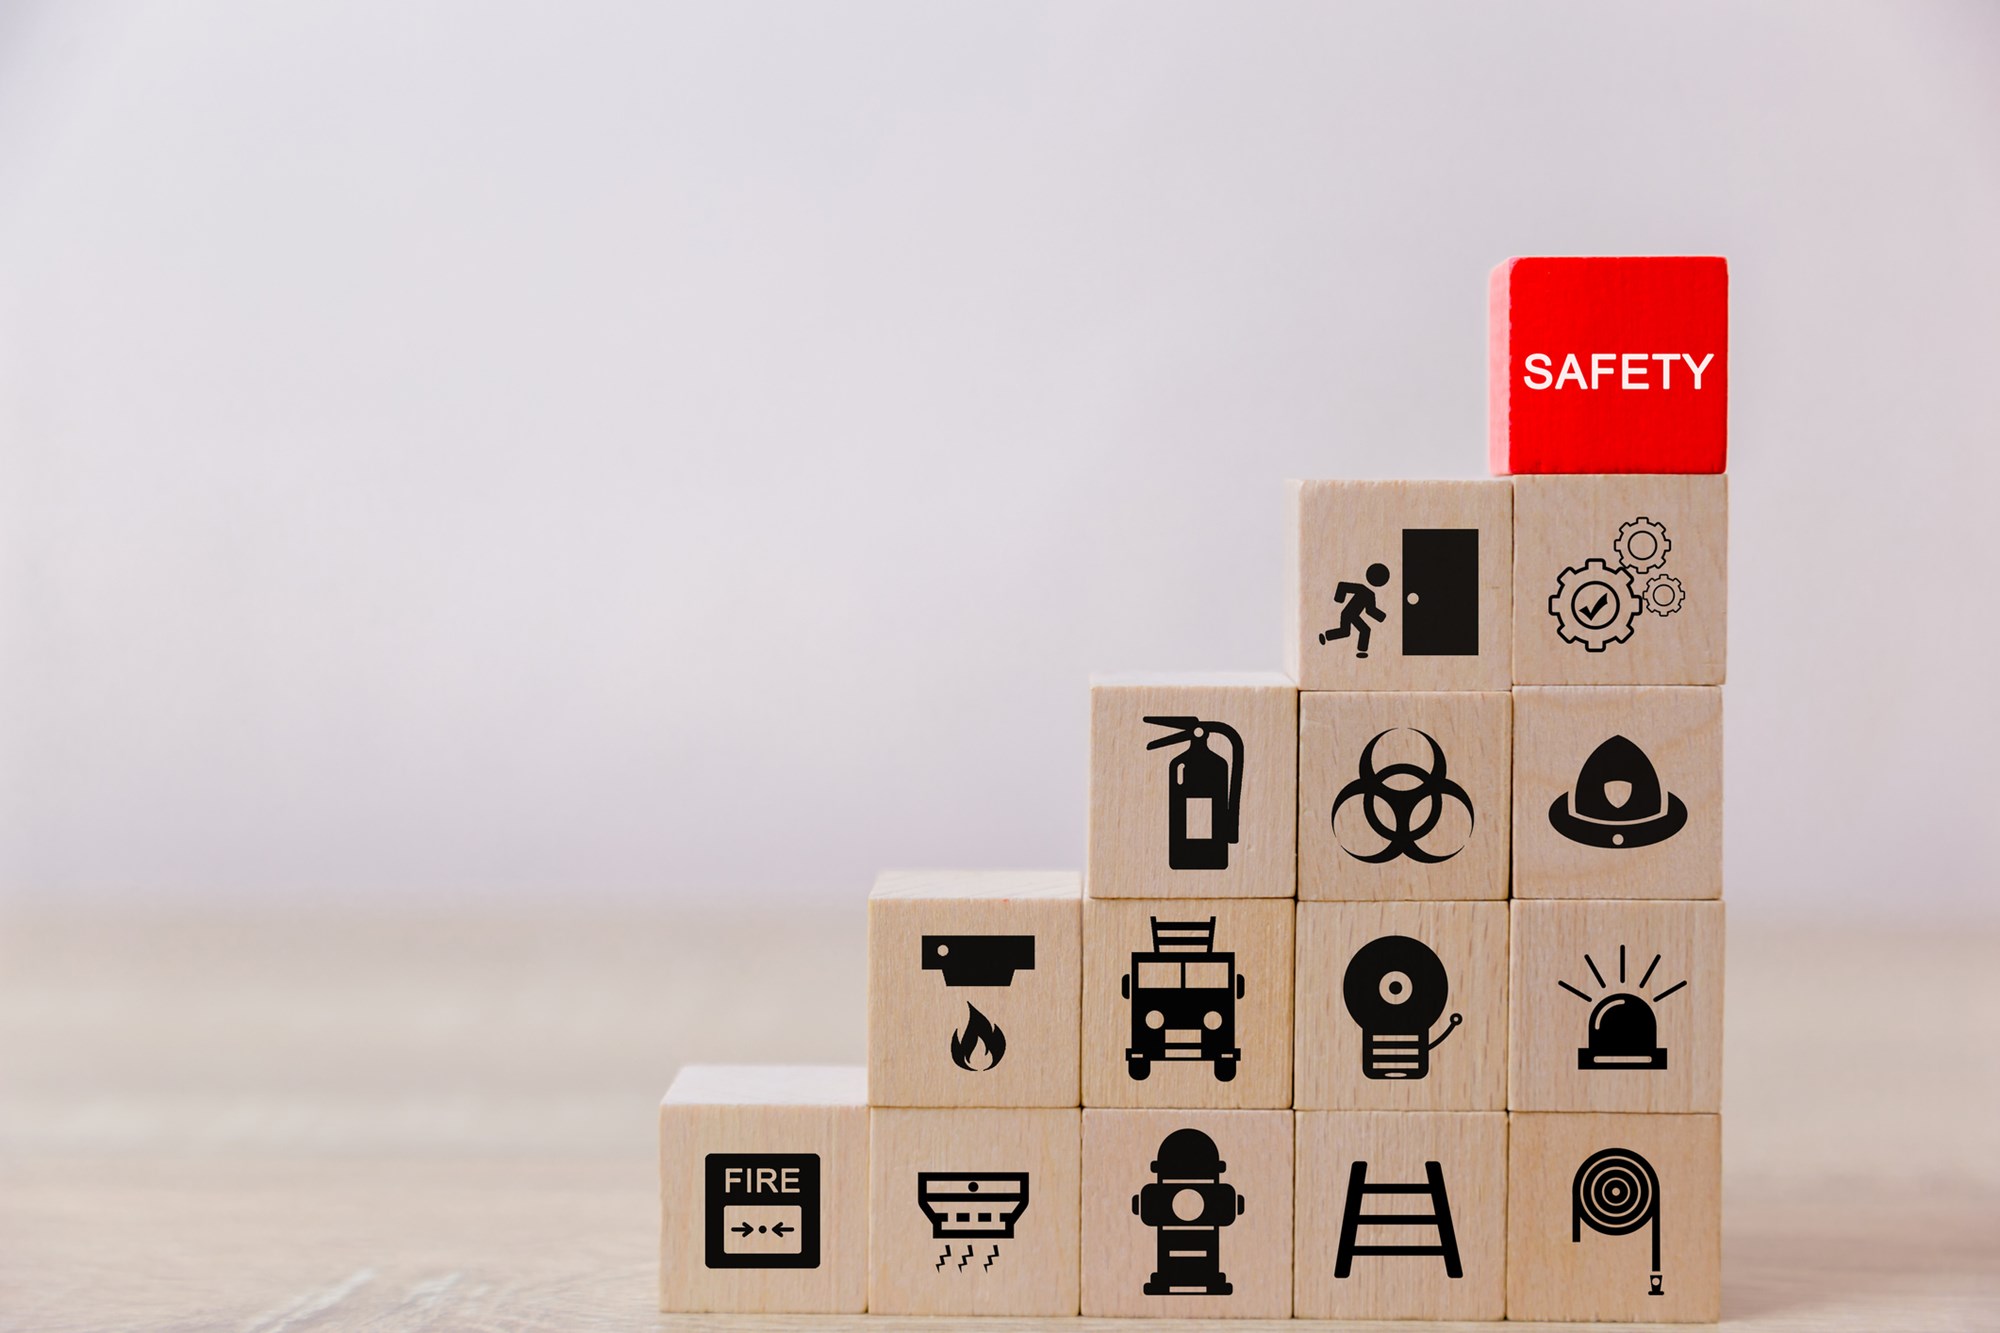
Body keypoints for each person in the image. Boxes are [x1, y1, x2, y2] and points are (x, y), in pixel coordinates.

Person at [1318, 563, 1390, 658]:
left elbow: (1369, 610)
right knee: (1364, 630)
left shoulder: (1367, 592)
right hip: (1349, 614)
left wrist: (1381, 616)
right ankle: (1362, 651)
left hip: (1350, 614)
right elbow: (1342, 586)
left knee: (1346, 631)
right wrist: (1339, 599)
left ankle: (1326, 636)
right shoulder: (1366, 591)